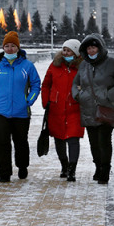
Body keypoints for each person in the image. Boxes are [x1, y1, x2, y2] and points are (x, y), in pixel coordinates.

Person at [0, 31, 41, 183]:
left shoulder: (27, 66)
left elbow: (36, 85)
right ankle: (4, 173)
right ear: (3, 48)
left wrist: (29, 100)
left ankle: (22, 166)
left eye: (13, 46)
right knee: (2, 143)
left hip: (21, 112)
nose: (9, 49)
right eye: (6, 46)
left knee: (21, 142)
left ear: (18, 48)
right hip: (0, 112)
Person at [72, 33, 114, 185]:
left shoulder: (113, 63)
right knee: (93, 143)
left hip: (106, 109)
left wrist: (108, 96)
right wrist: (78, 95)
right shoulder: (84, 65)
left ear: (100, 48)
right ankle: (97, 166)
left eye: (94, 47)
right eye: (88, 48)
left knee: (104, 141)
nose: (91, 51)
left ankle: (105, 170)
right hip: (88, 109)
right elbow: (75, 83)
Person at [41, 39, 85, 182]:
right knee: (59, 139)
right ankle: (64, 165)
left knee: (73, 139)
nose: (65, 53)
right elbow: (46, 84)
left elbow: (88, 85)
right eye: (64, 50)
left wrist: (81, 94)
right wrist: (46, 101)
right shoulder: (55, 65)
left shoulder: (82, 67)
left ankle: (72, 169)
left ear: (76, 53)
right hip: (56, 108)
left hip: (75, 108)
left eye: (69, 50)